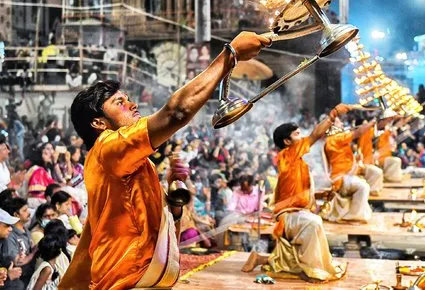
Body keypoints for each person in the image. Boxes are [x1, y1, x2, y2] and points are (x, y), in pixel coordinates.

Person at [60, 32, 269, 289]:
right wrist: (230, 55)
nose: (133, 104)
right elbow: (176, 113)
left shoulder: (135, 162)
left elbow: (156, 230)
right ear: (98, 123)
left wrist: (174, 202)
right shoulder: (106, 148)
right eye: (120, 102)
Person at [241, 104, 354, 283]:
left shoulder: (297, 161)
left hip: (297, 212)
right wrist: (332, 115)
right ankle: (313, 271)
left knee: (314, 221)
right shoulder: (288, 155)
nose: (302, 138)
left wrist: (319, 195)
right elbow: (316, 135)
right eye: (297, 134)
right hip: (287, 216)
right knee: (314, 223)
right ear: (287, 142)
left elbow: (298, 193)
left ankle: (262, 259)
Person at [323, 118, 377, 223]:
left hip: (344, 176)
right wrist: (372, 121)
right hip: (341, 179)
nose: (343, 123)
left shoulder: (332, 139)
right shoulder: (337, 138)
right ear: (332, 125)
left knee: (365, 182)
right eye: (339, 122)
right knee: (363, 186)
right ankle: (354, 217)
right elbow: (359, 132)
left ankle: (356, 213)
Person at [0, 197, 34, 289]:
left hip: (29, 275)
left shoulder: (26, 230)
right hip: (19, 279)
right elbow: (16, 262)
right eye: (25, 210)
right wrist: (34, 252)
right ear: (16, 214)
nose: (29, 213)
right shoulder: (10, 235)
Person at [24, 143, 56, 208]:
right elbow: (36, 192)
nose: (50, 154)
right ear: (40, 155)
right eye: (46, 153)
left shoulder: (47, 169)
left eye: (51, 150)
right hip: (37, 201)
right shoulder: (37, 169)